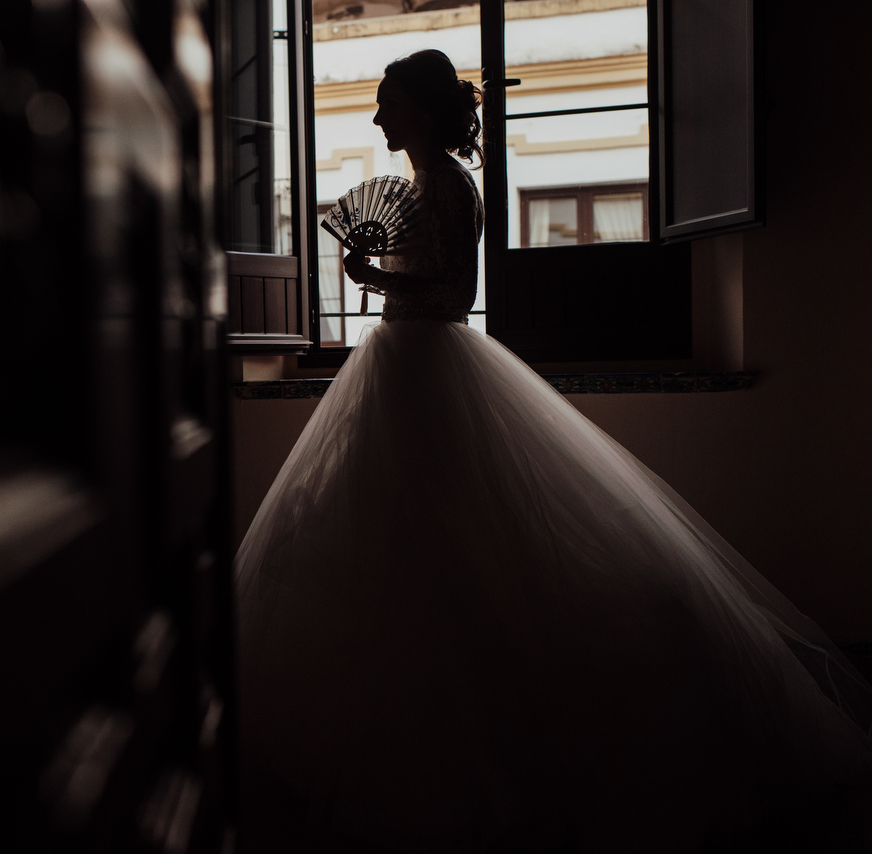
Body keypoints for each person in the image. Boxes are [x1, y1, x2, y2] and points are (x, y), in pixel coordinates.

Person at [235, 49, 871, 852]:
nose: (377, 118)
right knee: (399, 540)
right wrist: (384, 277)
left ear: (421, 113)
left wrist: (375, 273)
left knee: (452, 542)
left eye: (387, 103)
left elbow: (452, 294)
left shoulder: (446, 188)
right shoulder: (435, 185)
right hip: (399, 364)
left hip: (426, 363)